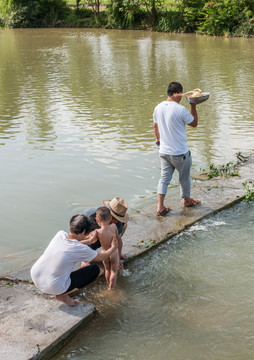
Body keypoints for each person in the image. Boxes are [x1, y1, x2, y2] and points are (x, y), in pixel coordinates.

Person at [30, 214, 118, 306]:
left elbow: (70, 244)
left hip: (35, 276)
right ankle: (62, 295)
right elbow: (101, 257)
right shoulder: (79, 248)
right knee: (94, 270)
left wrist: (90, 240)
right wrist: (113, 248)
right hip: (53, 286)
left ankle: (60, 291)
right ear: (84, 231)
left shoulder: (59, 234)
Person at [153, 81, 200, 216]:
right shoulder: (180, 109)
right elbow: (194, 123)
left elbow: (156, 127)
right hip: (180, 153)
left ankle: (160, 206)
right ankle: (186, 200)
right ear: (177, 93)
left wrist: (158, 141)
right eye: (181, 93)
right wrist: (193, 106)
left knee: (164, 179)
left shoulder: (158, 107)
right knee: (184, 177)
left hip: (164, 151)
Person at [94, 206, 120, 290]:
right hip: (114, 252)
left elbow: (92, 240)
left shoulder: (98, 232)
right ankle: (111, 288)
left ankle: (108, 283)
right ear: (111, 217)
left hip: (104, 253)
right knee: (114, 271)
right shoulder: (114, 226)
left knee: (107, 270)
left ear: (97, 220)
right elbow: (116, 237)